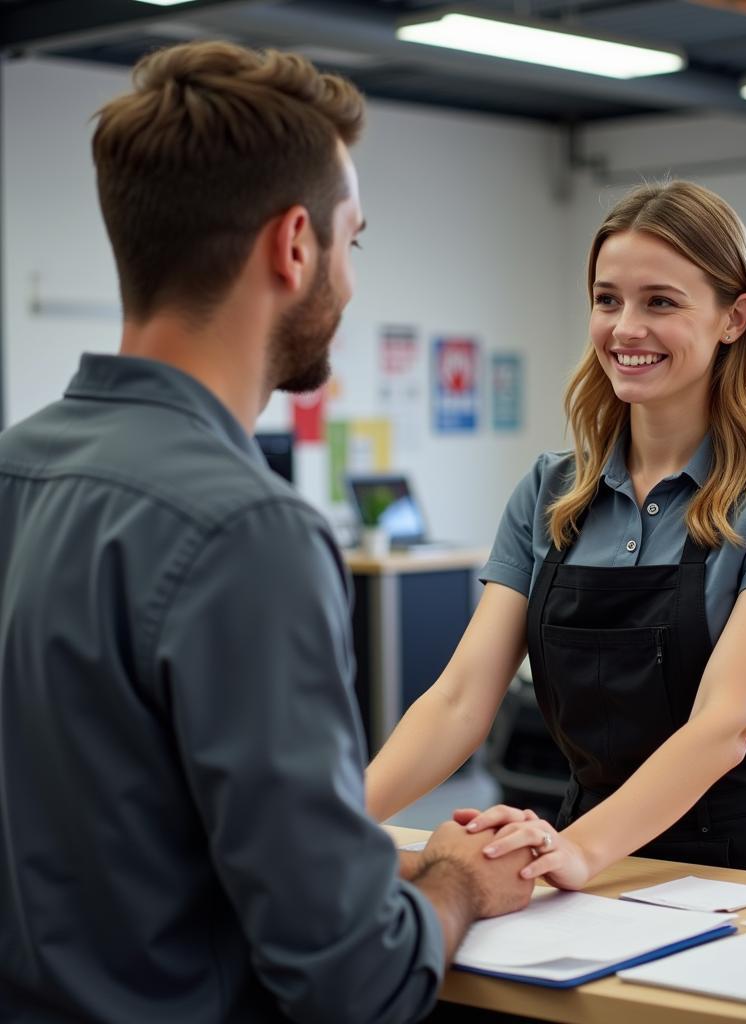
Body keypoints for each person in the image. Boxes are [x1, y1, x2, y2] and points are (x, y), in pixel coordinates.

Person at [0, 42, 533, 1024]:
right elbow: (350, 979)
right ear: (295, 246)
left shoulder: (17, 469)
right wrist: (456, 879)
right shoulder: (248, 531)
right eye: (353, 241)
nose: (351, 275)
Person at [366, 180, 746, 887]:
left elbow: (727, 723)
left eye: (660, 301)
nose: (626, 328)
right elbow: (460, 699)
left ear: (733, 318)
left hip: (739, 866)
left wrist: (584, 850)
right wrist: (340, 820)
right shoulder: (550, 491)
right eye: (607, 299)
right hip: (585, 847)